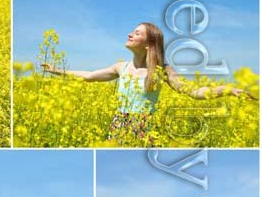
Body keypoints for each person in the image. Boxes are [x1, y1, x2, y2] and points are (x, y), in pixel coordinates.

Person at [44, 20, 254, 144]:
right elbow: (88, 76)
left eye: (137, 33)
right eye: (132, 31)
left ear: (148, 45)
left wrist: (227, 89)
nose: (130, 34)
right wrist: (56, 70)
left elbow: (194, 92)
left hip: (145, 129)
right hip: (117, 125)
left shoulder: (162, 71)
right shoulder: (121, 67)